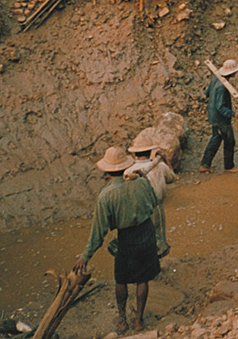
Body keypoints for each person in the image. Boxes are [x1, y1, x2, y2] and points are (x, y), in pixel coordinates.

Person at [73, 146, 160, 333]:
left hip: (126, 237)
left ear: (107, 171)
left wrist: (85, 256)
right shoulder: (142, 182)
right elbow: (153, 204)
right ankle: (139, 321)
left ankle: (122, 320)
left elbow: (99, 231)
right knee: (142, 278)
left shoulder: (106, 195)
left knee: (121, 279)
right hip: (146, 231)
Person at [125, 129, 177, 258]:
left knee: (139, 239)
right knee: (158, 240)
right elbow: (172, 178)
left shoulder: (128, 171)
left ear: (135, 154)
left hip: (135, 210)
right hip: (156, 207)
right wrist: (166, 162)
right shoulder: (159, 166)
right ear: (150, 152)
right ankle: (155, 265)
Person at [200, 58, 238, 173]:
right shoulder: (222, 87)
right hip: (221, 119)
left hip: (213, 116)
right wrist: (233, 114)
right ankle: (229, 166)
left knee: (216, 139)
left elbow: (207, 93)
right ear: (232, 72)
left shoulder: (215, 79)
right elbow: (220, 107)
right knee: (229, 141)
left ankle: (205, 164)